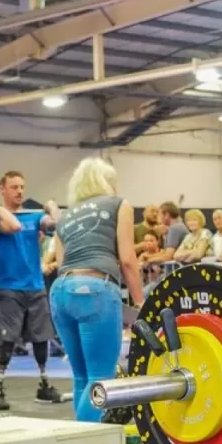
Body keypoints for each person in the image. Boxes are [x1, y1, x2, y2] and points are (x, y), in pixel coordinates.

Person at [50, 157, 144, 423]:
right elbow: (127, 259)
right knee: (101, 377)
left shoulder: (65, 216)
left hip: (61, 292)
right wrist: (140, 302)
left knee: (82, 377)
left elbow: (60, 264)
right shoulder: (119, 204)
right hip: (95, 290)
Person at [0, 171, 63, 410]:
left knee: (41, 337)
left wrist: (52, 207)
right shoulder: (1, 217)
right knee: (6, 339)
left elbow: (56, 224)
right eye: (14, 187)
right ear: (2, 189)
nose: (20, 191)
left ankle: (44, 386)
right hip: (8, 286)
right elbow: (12, 225)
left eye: (22, 187)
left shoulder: (35, 217)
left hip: (35, 286)